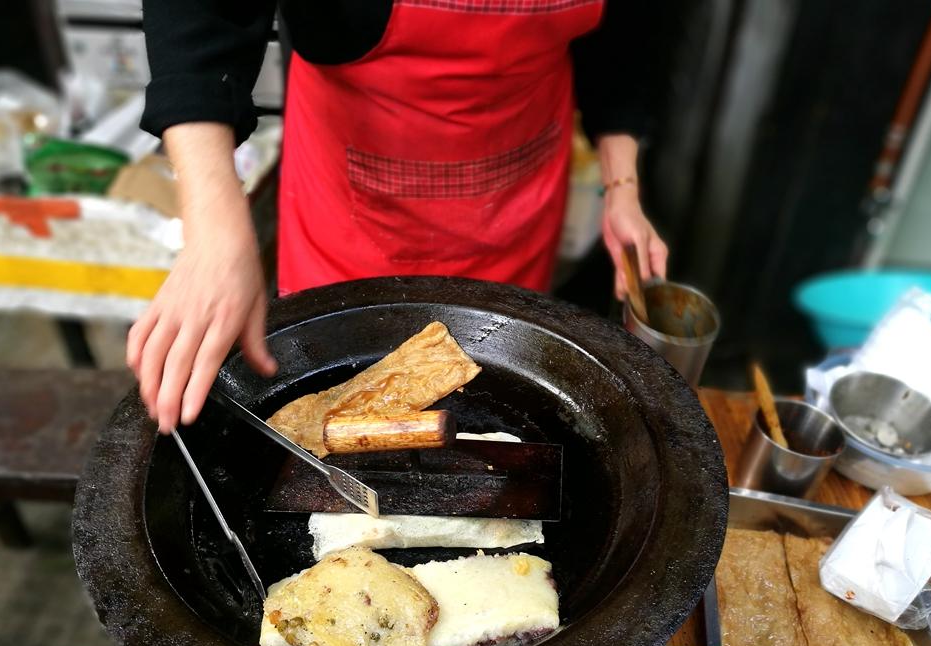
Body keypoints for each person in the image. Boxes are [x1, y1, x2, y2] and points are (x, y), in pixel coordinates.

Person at [130, 1, 670, 434]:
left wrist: (621, 185)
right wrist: (215, 231)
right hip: (354, 198)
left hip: (517, 192)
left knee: (491, 388)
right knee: (341, 403)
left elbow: (631, 34)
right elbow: (201, 15)